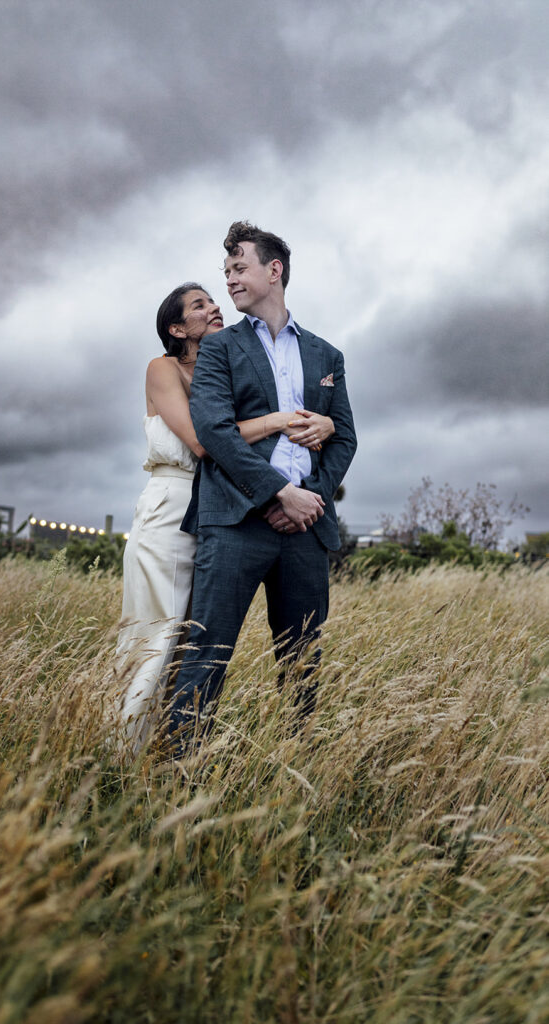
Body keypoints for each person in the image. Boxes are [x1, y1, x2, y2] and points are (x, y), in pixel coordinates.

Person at [116, 281, 335, 757]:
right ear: (177, 327)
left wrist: (328, 423)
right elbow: (204, 441)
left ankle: (165, 751)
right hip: (170, 511)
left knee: (194, 645)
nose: (215, 307)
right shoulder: (163, 369)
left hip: (218, 511)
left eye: (213, 301)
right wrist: (280, 420)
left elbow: (235, 442)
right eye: (200, 306)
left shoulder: (223, 371)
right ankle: (125, 757)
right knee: (158, 635)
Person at [168, 222, 357, 753]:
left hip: (305, 530)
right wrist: (279, 493)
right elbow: (213, 431)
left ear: (274, 271)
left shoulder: (327, 356)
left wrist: (309, 499)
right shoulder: (220, 348)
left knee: (303, 659)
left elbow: (345, 439)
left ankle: (300, 766)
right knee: (206, 653)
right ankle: (181, 772)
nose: (229, 280)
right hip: (234, 522)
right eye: (225, 271)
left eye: (239, 268)